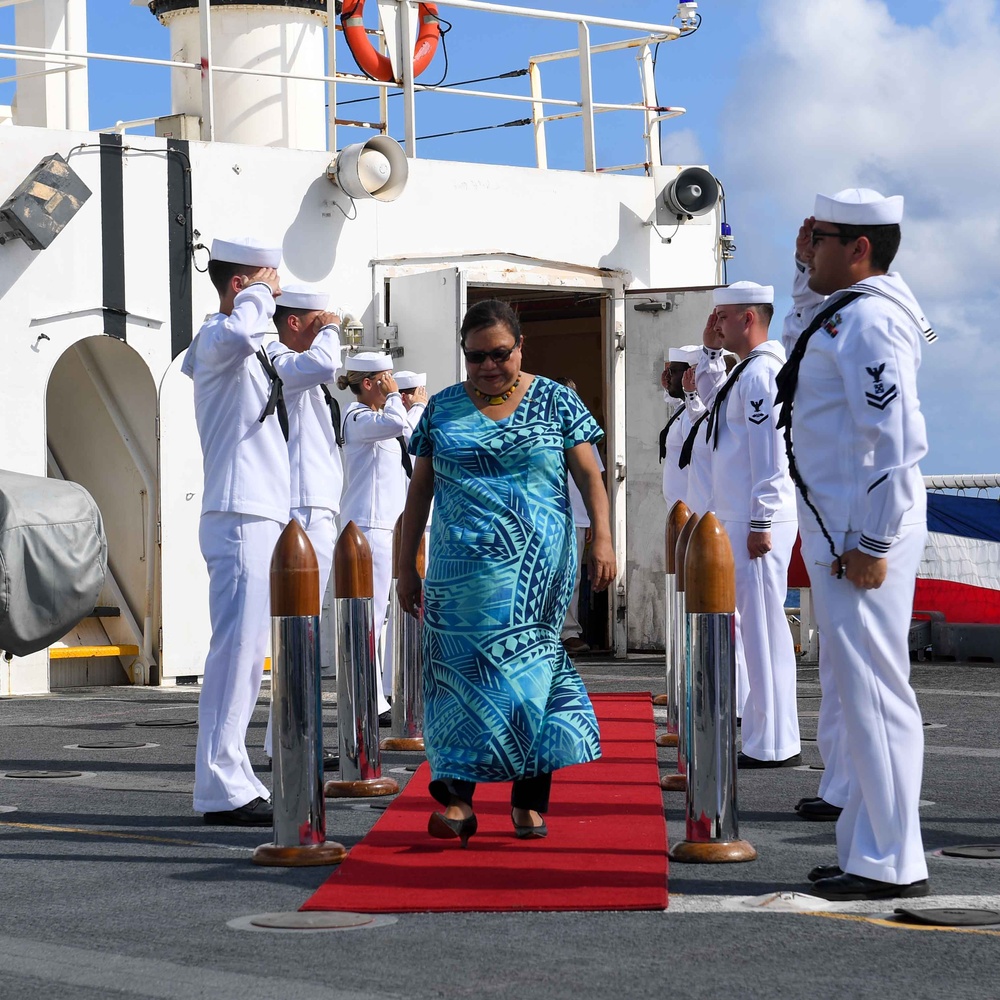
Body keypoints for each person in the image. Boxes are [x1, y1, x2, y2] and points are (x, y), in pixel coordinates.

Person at [396, 299, 616, 846]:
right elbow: (419, 491)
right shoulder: (443, 408)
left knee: (526, 685)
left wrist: (604, 540)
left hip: (534, 573)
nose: (489, 366)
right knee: (456, 685)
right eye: (476, 358)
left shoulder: (556, 401)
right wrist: (406, 566)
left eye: (500, 354)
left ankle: (528, 802)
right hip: (457, 573)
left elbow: (590, 475)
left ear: (521, 347)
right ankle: (456, 801)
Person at [776, 188, 933, 901]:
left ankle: (893, 859)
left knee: (875, 693)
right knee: (862, 691)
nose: (812, 244)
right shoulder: (846, 313)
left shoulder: (871, 322)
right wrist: (803, 261)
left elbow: (896, 443)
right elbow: (808, 323)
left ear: (860, 248)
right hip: (842, 529)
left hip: (862, 535)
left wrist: (872, 540)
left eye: (824, 236)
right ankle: (870, 849)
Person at [182, 238, 341, 825]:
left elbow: (314, 368)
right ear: (238, 287)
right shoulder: (217, 341)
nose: (274, 295)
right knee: (239, 653)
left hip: (266, 513)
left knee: (254, 655)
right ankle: (221, 785)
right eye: (265, 285)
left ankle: (233, 774)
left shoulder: (255, 352)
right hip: (240, 512)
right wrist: (255, 293)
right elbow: (243, 330)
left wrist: (326, 328)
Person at [702, 282, 801, 768]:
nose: (715, 323)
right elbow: (711, 408)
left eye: (722, 316)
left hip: (755, 521)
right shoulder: (745, 373)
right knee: (754, 630)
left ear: (748, 318)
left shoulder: (763, 375)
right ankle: (764, 735)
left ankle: (774, 742)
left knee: (764, 632)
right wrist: (708, 350)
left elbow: (772, 457)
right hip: (740, 518)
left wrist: (761, 519)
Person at [262, 282, 346, 766]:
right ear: (293, 323)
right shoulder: (280, 356)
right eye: (317, 323)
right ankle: (290, 743)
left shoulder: (303, 372)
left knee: (306, 632)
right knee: (297, 631)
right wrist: (329, 333)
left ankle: (293, 739)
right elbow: (322, 363)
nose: (327, 332)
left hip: (318, 507)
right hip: (299, 509)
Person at [337, 352, 410, 716]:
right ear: (368, 384)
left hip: (383, 526)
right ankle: (366, 698)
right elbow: (398, 423)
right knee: (369, 618)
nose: (392, 385)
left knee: (379, 616)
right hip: (368, 526)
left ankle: (375, 695)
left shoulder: (374, 418)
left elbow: (409, 435)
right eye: (386, 379)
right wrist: (396, 396)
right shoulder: (358, 417)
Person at [555, 377, 606, 656]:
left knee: (572, 578)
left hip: (575, 514)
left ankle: (569, 632)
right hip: (546, 515)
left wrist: (593, 521)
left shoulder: (583, 433)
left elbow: (593, 479)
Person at [659, 345, 704, 512]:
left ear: (689, 375)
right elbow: (679, 404)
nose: (668, 377)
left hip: (692, 512)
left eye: (673, 372)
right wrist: (668, 389)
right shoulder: (685, 410)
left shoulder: (694, 415)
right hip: (680, 512)